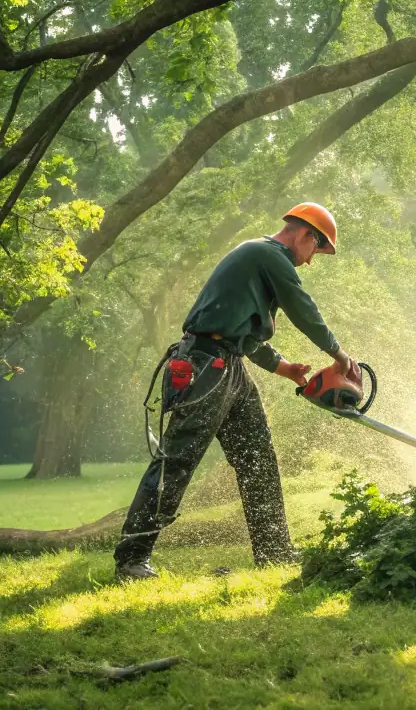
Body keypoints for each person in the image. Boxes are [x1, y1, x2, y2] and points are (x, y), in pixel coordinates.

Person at [113, 202, 359, 581]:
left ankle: (274, 550)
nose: (310, 261)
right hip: (203, 364)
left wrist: (285, 368)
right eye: (315, 251)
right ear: (307, 235)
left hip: (230, 365)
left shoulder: (258, 263)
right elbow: (301, 306)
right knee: (176, 461)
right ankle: (132, 559)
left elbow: (246, 334)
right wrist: (338, 354)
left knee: (258, 457)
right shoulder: (266, 253)